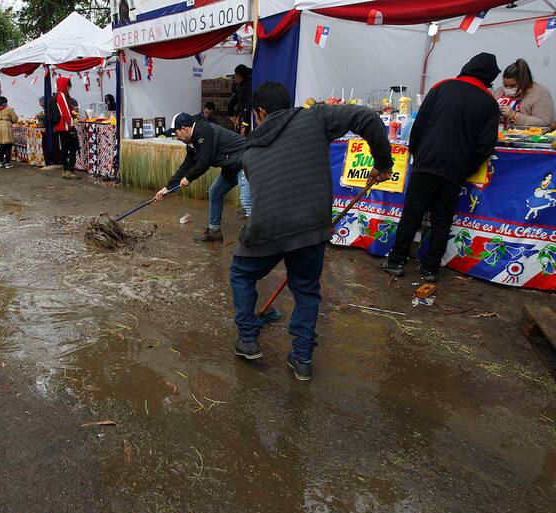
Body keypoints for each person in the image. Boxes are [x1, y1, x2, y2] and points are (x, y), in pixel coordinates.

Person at [231, 81, 393, 381]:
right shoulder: (314, 117)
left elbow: (262, 192)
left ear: (260, 112)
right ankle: (302, 358)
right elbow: (367, 117)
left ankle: (248, 339)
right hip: (310, 228)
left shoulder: (250, 149)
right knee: (305, 289)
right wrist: (383, 162)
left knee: (241, 273)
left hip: (267, 228)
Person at [382, 52, 501, 283]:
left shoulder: (441, 87)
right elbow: (486, 145)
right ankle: (430, 269)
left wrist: (417, 153)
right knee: (442, 219)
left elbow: (419, 125)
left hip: (426, 162)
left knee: (411, 215)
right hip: (455, 169)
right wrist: (466, 168)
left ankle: (396, 261)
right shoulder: (489, 102)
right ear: (490, 76)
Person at [154, 112, 251, 242]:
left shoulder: (204, 131)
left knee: (246, 200)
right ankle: (214, 232)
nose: (176, 137)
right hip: (231, 165)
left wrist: (188, 178)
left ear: (184, 129)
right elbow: (186, 166)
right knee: (215, 192)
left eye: (176, 133)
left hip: (245, 161)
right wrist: (167, 188)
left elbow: (204, 163)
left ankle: (263, 237)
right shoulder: (192, 142)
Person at [495, 58, 555, 127]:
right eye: (505, 85)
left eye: (512, 85)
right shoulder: (500, 90)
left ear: (524, 82)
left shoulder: (540, 93)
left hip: (524, 133)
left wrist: (514, 116)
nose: (508, 89)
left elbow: (545, 122)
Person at [54, 76, 79, 179]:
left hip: (61, 127)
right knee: (72, 148)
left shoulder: (58, 95)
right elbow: (66, 113)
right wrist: (71, 125)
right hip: (66, 127)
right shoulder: (62, 95)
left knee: (64, 149)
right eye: (68, 86)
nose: (69, 88)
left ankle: (65, 170)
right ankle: (70, 170)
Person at [0, 96, 18, 169]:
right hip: (6, 127)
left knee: (2, 146)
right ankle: (7, 163)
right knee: (8, 146)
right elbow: (14, 119)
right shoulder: (9, 108)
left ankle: (1, 162)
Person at [228, 64, 253, 135]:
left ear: (239, 75)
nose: (235, 78)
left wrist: (244, 125)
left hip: (248, 122)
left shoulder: (248, 86)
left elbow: (247, 107)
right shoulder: (242, 85)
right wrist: (233, 116)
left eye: (235, 75)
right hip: (243, 120)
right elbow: (235, 102)